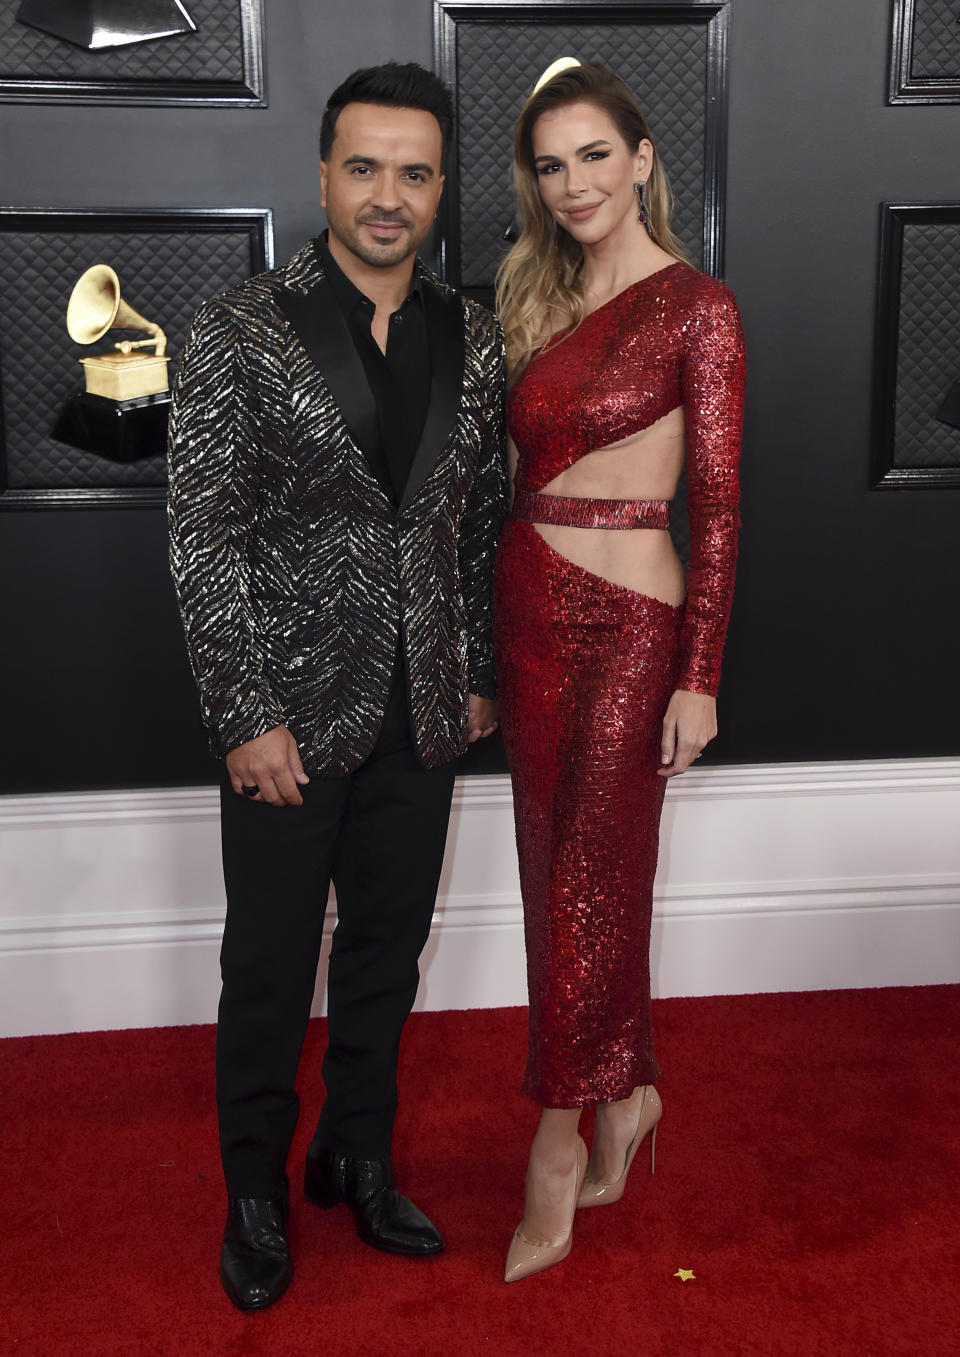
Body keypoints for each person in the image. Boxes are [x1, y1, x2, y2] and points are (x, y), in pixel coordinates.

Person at [168, 61, 507, 1311]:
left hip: (425, 712)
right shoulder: (238, 328)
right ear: (323, 174)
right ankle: (252, 1190)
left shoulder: (477, 335)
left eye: (414, 173)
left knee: (387, 952)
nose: (388, 195)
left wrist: (470, 675)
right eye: (364, 167)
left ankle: (354, 1154)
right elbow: (203, 535)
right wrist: (243, 711)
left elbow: (475, 523)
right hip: (285, 724)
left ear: (437, 189)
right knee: (265, 963)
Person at [493, 60, 745, 1282]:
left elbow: (725, 501)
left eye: (596, 154)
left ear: (643, 157)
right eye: (552, 163)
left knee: (594, 886)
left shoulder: (699, 305)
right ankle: (626, 1096)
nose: (575, 182)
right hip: (525, 614)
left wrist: (699, 671)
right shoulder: (533, 295)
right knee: (559, 882)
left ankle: (557, 1145)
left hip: (633, 626)